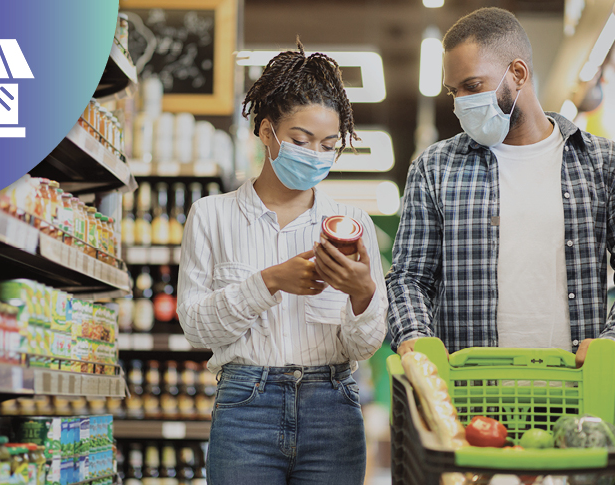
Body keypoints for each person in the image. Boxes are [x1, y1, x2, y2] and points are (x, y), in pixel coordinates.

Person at [177, 40, 388, 485]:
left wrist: (361, 292)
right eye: (301, 139)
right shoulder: (211, 216)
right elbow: (196, 328)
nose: (315, 154)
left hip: (333, 408)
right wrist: (270, 282)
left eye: (328, 144)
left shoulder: (352, 224)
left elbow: (362, 348)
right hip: (244, 410)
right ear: (266, 131)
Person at [386, 7, 615, 366]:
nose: (461, 101)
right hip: (471, 395)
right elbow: (408, 277)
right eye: (453, 91)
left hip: (577, 389)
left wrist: (611, 339)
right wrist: (414, 336)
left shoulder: (602, 164)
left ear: (518, 73)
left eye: (473, 86)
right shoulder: (435, 168)